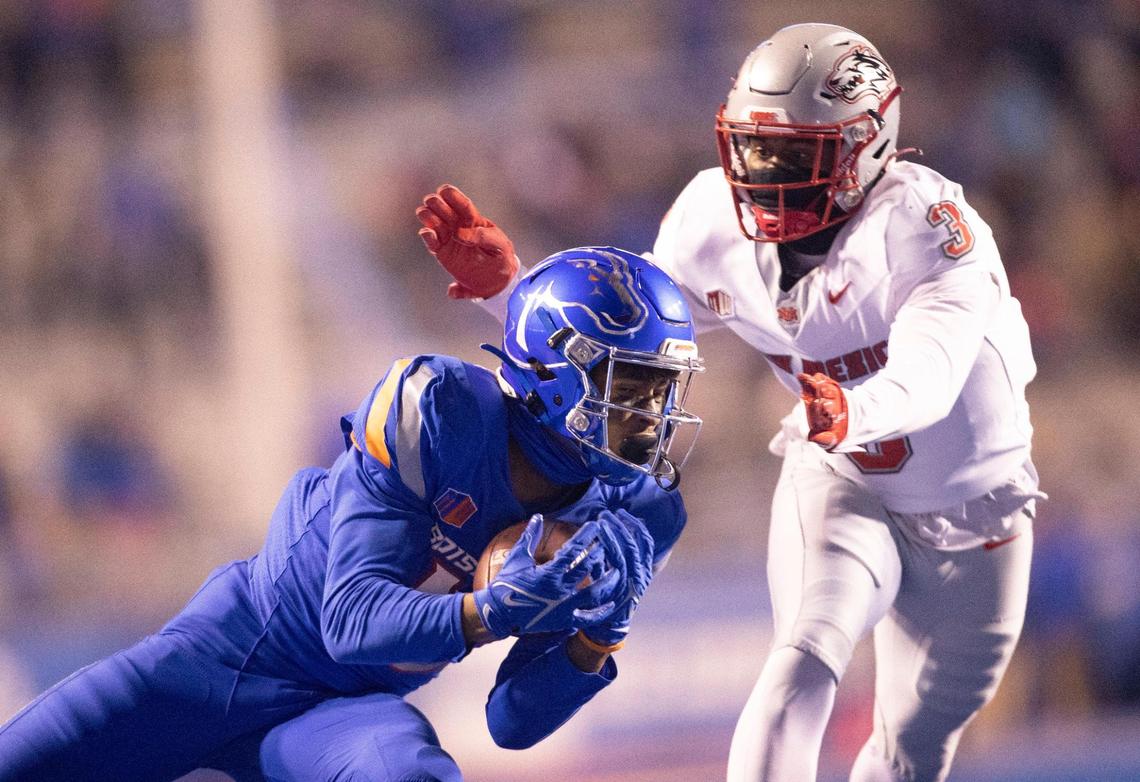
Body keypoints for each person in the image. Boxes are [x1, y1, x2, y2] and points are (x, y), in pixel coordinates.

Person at [416, 22, 1045, 782]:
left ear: (864, 147)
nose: (758, 174)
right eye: (748, 147)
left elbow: (931, 373)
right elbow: (622, 336)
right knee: (806, 653)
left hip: (975, 505)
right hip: (843, 471)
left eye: (786, 156)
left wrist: (855, 411)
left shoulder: (930, 233)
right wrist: (509, 291)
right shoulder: (713, 220)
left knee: (915, 741)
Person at [0, 246, 705, 782]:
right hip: (225, 660)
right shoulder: (441, 410)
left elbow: (511, 724)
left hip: (343, 711)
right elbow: (349, 621)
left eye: (664, 393)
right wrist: (495, 608)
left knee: (412, 773)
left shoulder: (638, 512)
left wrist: (596, 639)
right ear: (555, 369)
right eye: (634, 388)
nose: (654, 417)